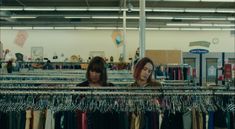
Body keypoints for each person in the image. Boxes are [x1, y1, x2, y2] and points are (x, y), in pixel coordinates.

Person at [77, 56, 118, 129]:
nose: (94, 74)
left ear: (103, 73)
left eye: (97, 72)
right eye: (92, 71)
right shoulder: (80, 87)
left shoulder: (110, 88)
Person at [129, 57, 161, 129]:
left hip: (152, 123)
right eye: (144, 69)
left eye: (149, 71)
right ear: (138, 68)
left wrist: (158, 104)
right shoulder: (131, 88)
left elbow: (164, 106)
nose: (146, 73)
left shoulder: (157, 86)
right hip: (136, 123)